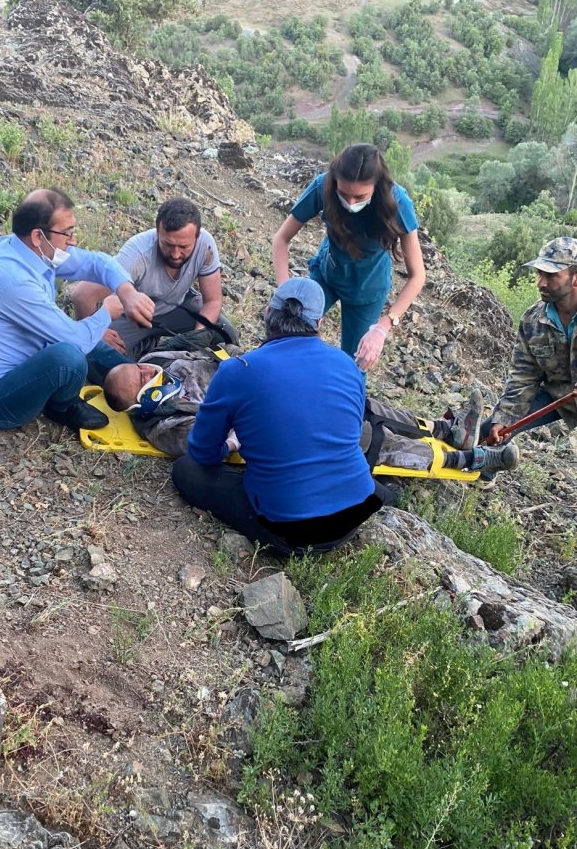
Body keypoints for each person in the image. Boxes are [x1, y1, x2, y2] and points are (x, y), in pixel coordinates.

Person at [106, 280, 517, 556]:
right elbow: (349, 429)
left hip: (291, 534)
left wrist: (237, 438)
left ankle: (456, 453)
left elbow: (203, 454)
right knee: (355, 442)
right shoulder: (346, 366)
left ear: (268, 316)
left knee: (187, 473)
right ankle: (460, 457)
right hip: (356, 514)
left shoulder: (237, 372)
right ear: (319, 323)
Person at [104, 330, 519, 476]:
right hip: (281, 424)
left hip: (277, 390)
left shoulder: (165, 362)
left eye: (140, 368)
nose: (146, 371)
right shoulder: (168, 427)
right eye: (141, 379)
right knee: (370, 441)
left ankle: (450, 431)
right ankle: (473, 461)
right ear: (142, 401)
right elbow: (218, 444)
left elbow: (220, 352)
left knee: (365, 404)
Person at [0, 187, 155, 432]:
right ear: (38, 236)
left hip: (26, 358)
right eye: (67, 233)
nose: (73, 241)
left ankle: (144, 384)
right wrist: (106, 313)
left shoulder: (27, 250)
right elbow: (74, 341)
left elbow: (97, 262)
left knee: (97, 343)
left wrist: (127, 292)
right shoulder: (11, 279)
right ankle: (62, 407)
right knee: (69, 357)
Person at [271, 142, 425, 370]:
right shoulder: (322, 187)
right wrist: (286, 292)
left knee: (354, 365)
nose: (350, 203)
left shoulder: (398, 202)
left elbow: (418, 276)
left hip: (368, 289)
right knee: (286, 336)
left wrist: (383, 327)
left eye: (360, 196)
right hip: (327, 275)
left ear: (376, 186)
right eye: (344, 194)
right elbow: (281, 239)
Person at [69, 197, 238, 359]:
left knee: (224, 332)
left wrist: (197, 336)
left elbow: (212, 301)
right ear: (157, 233)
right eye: (168, 244)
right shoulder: (137, 255)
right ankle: (146, 345)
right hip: (131, 318)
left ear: (197, 237)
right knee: (104, 361)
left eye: (184, 247)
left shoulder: (205, 244)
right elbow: (82, 295)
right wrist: (97, 333)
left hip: (177, 306)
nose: (175, 254)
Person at [482, 237, 577, 448]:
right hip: (556, 394)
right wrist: (504, 418)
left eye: (551, 276)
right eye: (539, 273)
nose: (541, 283)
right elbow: (523, 375)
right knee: (491, 431)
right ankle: (486, 469)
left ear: (575, 278)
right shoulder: (532, 320)